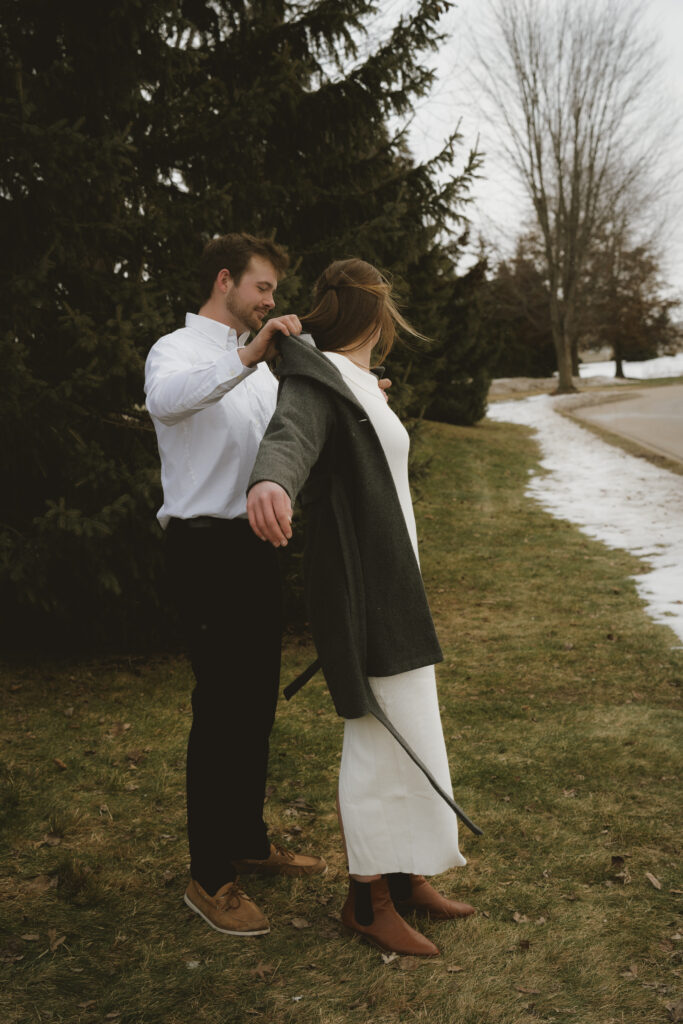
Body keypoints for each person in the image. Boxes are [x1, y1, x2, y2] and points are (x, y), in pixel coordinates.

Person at [247, 258, 479, 958]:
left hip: (395, 582)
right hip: (360, 584)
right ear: (375, 313)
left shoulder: (357, 385)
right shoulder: (315, 377)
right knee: (376, 736)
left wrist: (369, 399)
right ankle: (365, 899)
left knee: (412, 723)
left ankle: (407, 879)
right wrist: (270, 482)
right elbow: (290, 433)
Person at [144, 233, 327, 939]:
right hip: (203, 550)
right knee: (219, 708)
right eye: (263, 289)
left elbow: (286, 439)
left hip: (254, 549)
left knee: (256, 703)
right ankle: (208, 875)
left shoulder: (266, 366)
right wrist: (247, 357)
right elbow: (166, 403)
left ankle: (247, 841)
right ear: (225, 281)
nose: (271, 303)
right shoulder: (176, 352)